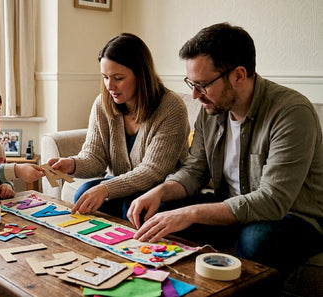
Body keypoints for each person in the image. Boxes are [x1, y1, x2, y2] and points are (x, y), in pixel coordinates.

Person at [127, 22, 323, 278]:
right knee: (154, 214)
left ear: (238, 76)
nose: (195, 96)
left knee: (255, 240)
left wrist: (190, 213)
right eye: (191, 84)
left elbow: (273, 201)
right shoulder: (212, 110)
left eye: (202, 85)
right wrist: (159, 191)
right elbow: (195, 171)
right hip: (230, 207)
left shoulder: (292, 113)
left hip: (292, 218)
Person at [48, 33, 190, 219]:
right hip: (123, 184)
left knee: (133, 207)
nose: (110, 86)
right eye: (105, 77)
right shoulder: (103, 103)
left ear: (141, 75)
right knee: (83, 193)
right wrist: (72, 164)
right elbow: (95, 158)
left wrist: (106, 188)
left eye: (118, 78)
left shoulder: (171, 107)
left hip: (161, 189)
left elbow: (153, 171)